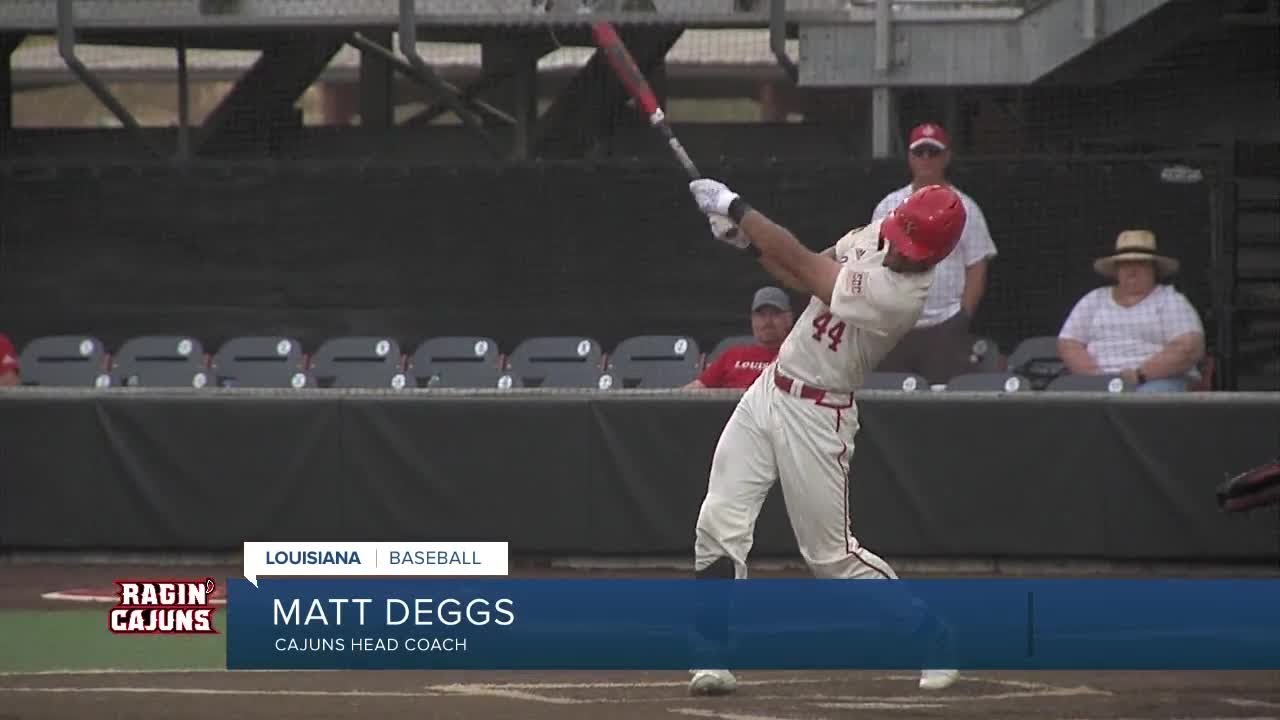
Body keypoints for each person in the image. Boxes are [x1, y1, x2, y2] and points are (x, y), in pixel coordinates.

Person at [685, 176, 968, 696]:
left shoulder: (902, 295)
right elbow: (796, 267)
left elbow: (810, 269)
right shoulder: (876, 233)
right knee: (718, 519)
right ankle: (712, 654)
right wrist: (746, 243)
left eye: (915, 252)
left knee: (831, 558)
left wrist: (739, 208)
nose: (903, 255)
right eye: (903, 243)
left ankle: (932, 634)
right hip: (771, 389)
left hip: (819, 414)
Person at [870, 122, 997, 385]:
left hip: (945, 324)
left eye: (933, 152)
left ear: (946, 157)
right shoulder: (888, 205)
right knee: (891, 399)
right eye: (920, 152)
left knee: (943, 399)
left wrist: (963, 315)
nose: (926, 158)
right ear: (909, 157)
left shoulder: (966, 207)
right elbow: (873, 260)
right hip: (897, 324)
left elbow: (977, 266)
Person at [1057, 230, 1205, 392]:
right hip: (1097, 382)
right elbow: (1068, 343)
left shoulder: (1170, 300)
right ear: (1116, 270)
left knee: (1146, 400)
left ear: (1154, 269)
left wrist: (1139, 375)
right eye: (1125, 264)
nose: (1132, 271)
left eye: (1140, 264)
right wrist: (1096, 378)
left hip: (1155, 380)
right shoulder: (1093, 300)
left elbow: (1189, 347)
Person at [685, 287, 794, 390]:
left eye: (775, 314)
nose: (767, 321)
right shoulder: (732, 355)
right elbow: (694, 391)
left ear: (788, 319)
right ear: (752, 319)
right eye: (761, 315)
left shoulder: (798, 359)